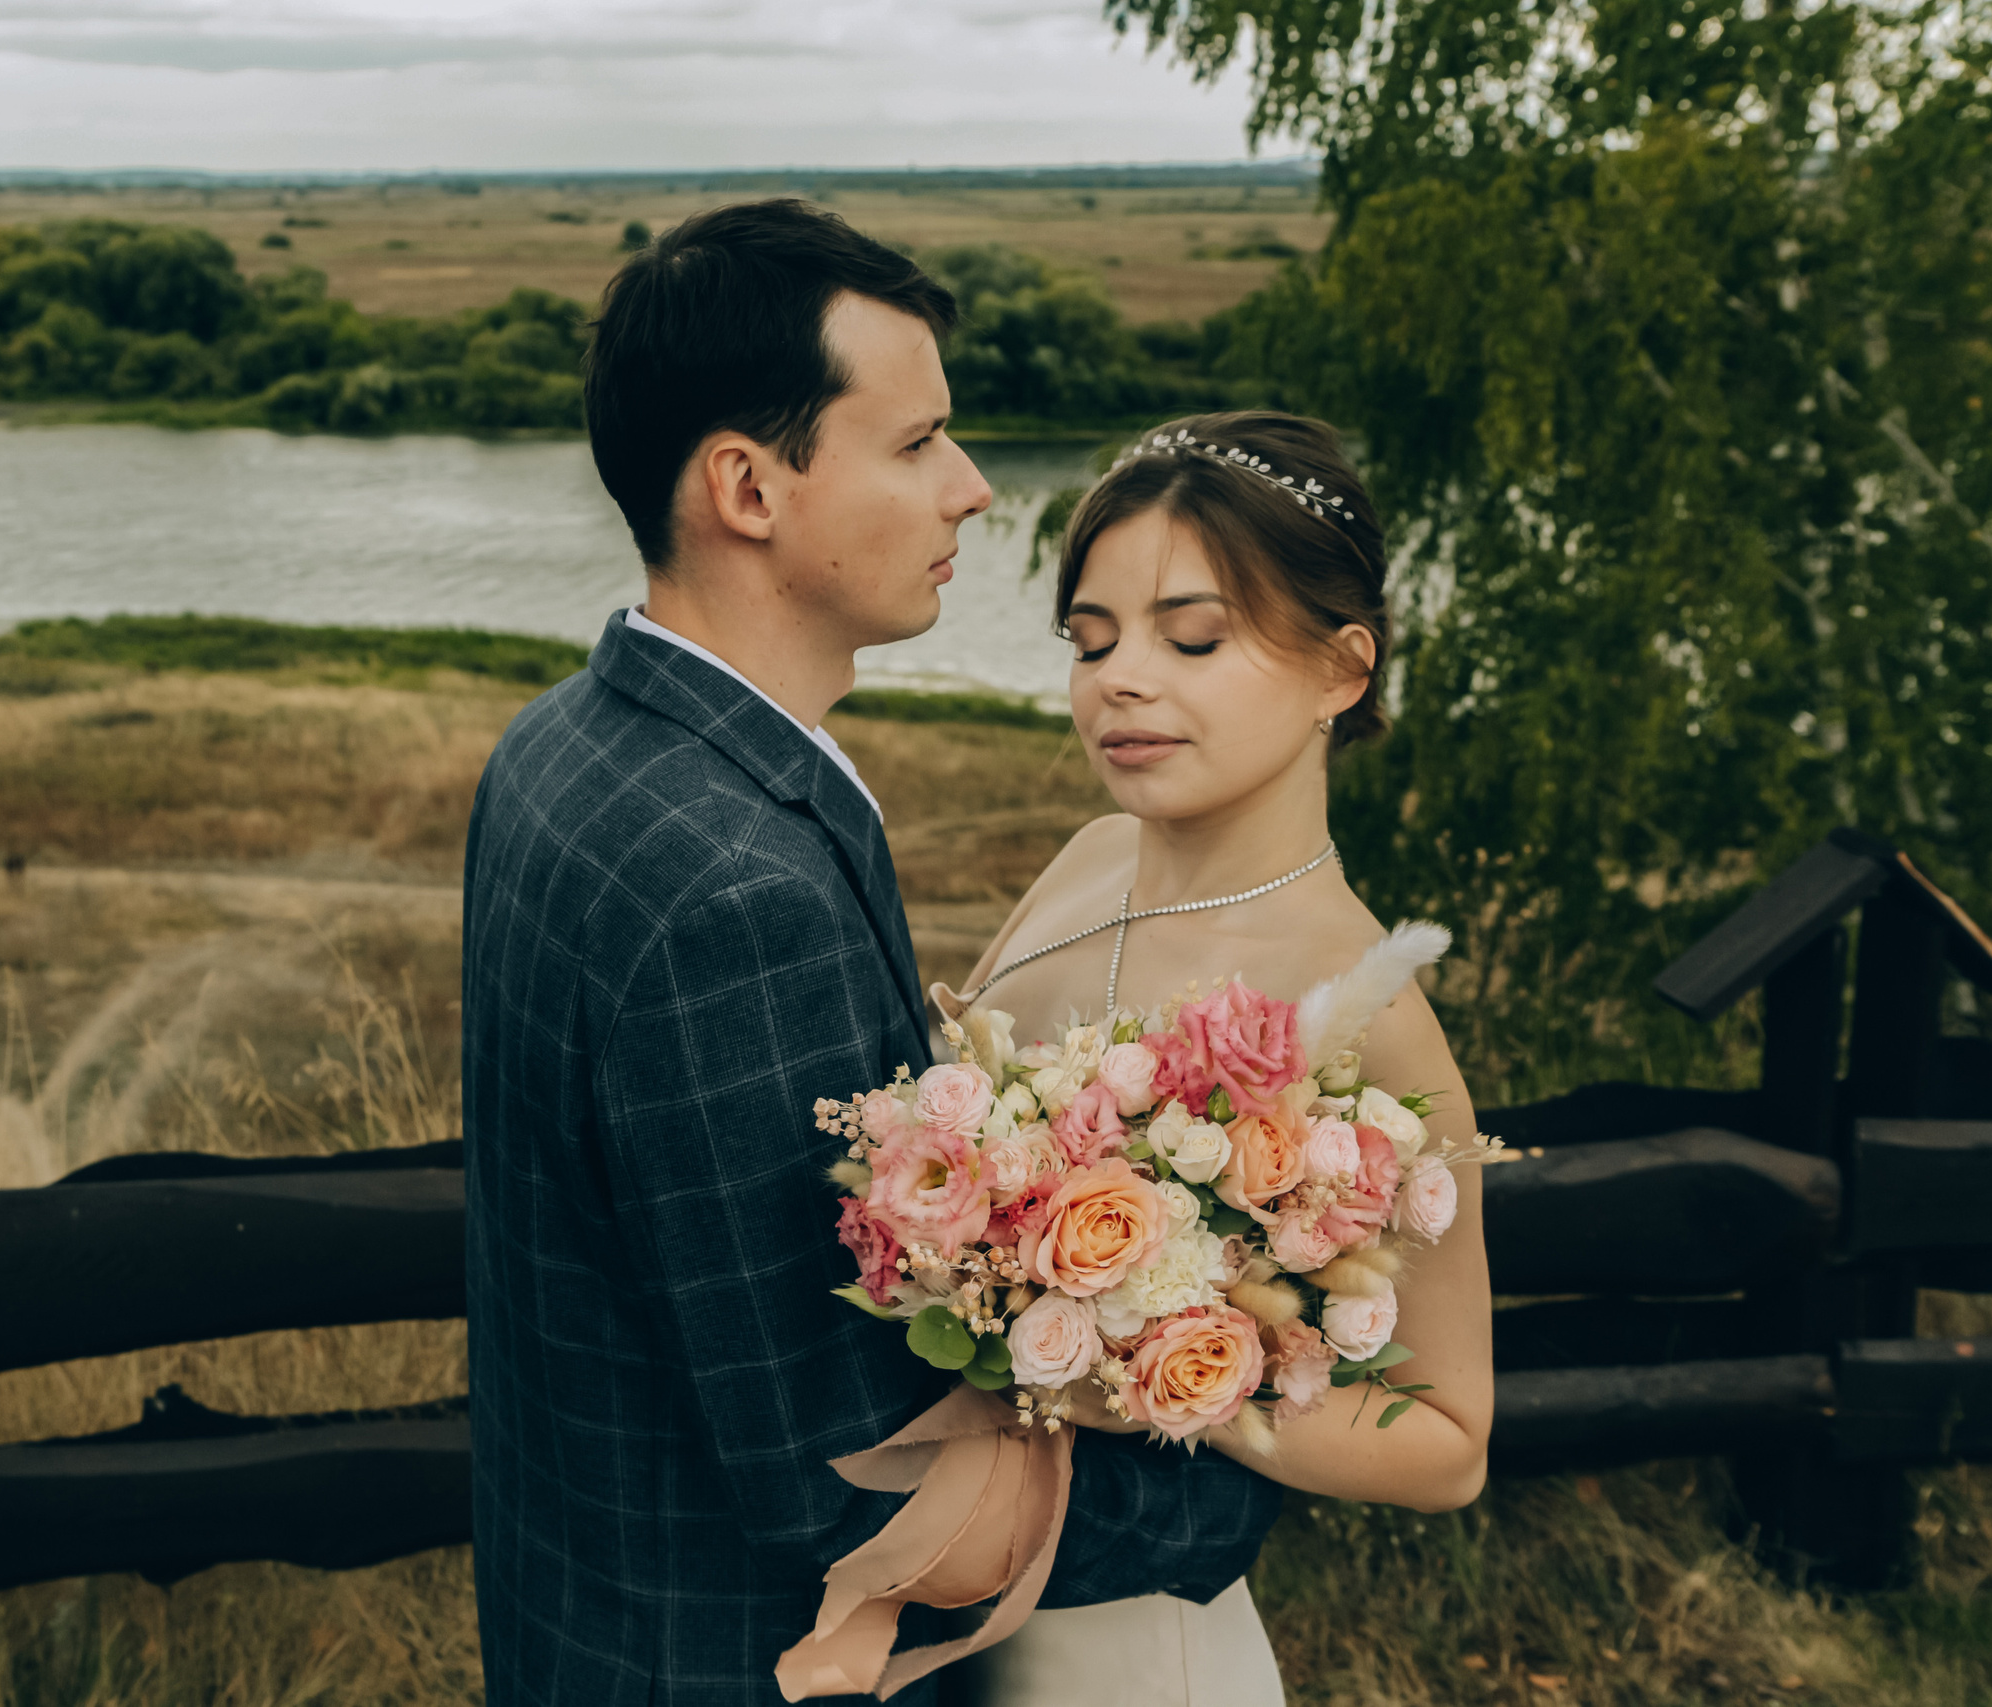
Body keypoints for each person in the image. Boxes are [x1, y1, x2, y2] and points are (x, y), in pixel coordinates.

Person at [460, 203, 1283, 1707]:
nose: (972, 491)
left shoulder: (560, 746)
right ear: (747, 488)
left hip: (578, 1624)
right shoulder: (732, 894)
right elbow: (842, 1483)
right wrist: (1234, 1483)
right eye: (914, 447)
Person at [936, 411, 1496, 1706]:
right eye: (1092, 640)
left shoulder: (1364, 1007)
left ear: (1339, 672)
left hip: (1127, 1651)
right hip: (938, 1610)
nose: (1122, 679)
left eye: (1192, 638)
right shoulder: (1085, 859)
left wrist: (1150, 1378)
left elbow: (1448, 1440)